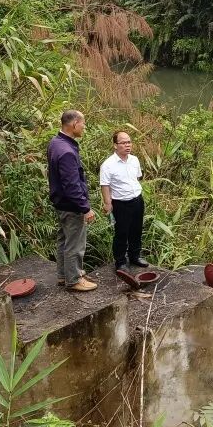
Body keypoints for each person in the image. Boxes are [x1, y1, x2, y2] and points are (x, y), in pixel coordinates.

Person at [47, 109, 97, 291]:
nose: (84, 127)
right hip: (71, 205)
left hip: (60, 202)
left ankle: (63, 275)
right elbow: (72, 185)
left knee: (64, 240)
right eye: (83, 123)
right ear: (74, 124)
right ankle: (74, 279)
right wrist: (85, 208)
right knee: (75, 243)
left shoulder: (56, 142)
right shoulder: (67, 150)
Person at [99, 130, 148, 270]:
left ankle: (135, 256)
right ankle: (120, 261)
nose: (128, 145)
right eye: (123, 143)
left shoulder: (134, 160)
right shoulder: (108, 164)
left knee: (136, 230)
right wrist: (108, 203)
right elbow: (105, 185)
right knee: (121, 232)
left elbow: (136, 178)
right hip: (120, 203)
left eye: (129, 142)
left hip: (137, 200)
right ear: (115, 145)